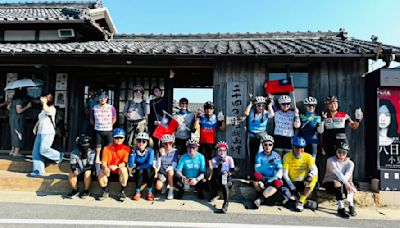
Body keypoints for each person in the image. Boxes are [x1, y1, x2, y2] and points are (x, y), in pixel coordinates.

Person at [252, 135, 291, 208]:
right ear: (262, 145)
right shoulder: (259, 156)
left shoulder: (276, 155)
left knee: (278, 182)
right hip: (262, 177)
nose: (267, 146)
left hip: (272, 178)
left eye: (270, 144)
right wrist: (268, 164)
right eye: (265, 144)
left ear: (272, 145)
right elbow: (258, 170)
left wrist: (274, 178)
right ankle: (262, 195)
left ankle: (260, 199)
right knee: (255, 175)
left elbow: (280, 169)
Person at [30, 93, 63, 176]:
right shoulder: (42, 110)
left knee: (43, 149)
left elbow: (47, 110)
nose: (42, 99)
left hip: (48, 132)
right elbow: (40, 118)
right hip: (40, 132)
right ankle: (38, 170)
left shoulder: (52, 108)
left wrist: (44, 102)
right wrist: (35, 126)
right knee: (36, 153)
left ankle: (59, 156)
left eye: (45, 98)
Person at [282, 136, 318, 212]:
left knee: (314, 178)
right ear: (293, 147)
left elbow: (314, 169)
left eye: (302, 147)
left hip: (303, 181)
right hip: (291, 182)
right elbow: (285, 174)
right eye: (297, 147)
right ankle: (305, 202)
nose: (300, 150)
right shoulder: (287, 156)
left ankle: (301, 201)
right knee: (285, 194)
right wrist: (292, 188)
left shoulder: (308, 156)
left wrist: (310, 175)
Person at [322, 142, 357, 218]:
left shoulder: (350, 163)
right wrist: (344, 183)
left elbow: (348, 174)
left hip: (344, 182)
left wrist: (346, 184)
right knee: (338, 185)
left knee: (349, 185)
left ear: (347, 153)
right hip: (330, 181)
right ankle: (341, 207)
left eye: (344, 152)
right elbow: (338, 173)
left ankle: (351, 205)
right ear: (336, 152)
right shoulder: (330, 160)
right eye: (339, 152)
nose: (341, 154)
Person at [244, 95, 274, 174]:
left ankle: (262, 173)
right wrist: (251, 103)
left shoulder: (266, 113)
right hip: (252, 136)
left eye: (263, 105)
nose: (261, 107)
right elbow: (245, 113)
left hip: (262, 137)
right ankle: (253, 174)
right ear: (255, 105)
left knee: (262, 156)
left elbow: (272, 115)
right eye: (259, 105)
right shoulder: (251, 112)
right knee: (252, 156)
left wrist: (269, 105)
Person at [98, 128, 130, 201]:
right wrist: (105, 167)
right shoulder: (107, 148)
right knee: (101, 171)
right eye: (116, 137)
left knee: (124, 170)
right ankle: (105, 191)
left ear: (124, 138)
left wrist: (117, 166)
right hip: (109, 170)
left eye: (121, 137)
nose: (119, 139)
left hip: (119, 169)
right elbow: (104, 162)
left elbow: (125, 163)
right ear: (113, 138)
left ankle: (122, 191)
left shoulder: (126, 149)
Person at [90, 90, 117, 175]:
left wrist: (109, 125)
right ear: (98, 98)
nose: (102, 99)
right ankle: (97, 170)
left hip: (108, 131)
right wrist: (97, 125)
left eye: (104, 97)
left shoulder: (111, 107)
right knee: (98, 150)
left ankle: (108, 168)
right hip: (98, 130)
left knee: (108, 150)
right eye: (100, 97)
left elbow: (114, 118)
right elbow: (91, 119)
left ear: (107, 98)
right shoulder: (94, 107)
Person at [195, 101, 225, 176]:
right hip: (202, 142)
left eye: (210, 108)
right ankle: (201, 177)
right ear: (204, 109)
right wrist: (197, 118)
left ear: (213, 109)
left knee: (210, 161)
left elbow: (222, 128)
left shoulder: (215, 117)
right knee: (201, 161)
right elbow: (195, 127)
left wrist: (222, 120)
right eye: (207, 108)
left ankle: (210, 178)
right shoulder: (202, 117)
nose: (208, 110)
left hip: (211, 142)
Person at [209, 141, 235, 213]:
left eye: (224, 150)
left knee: (224, 183)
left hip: (227, 178)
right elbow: (215, 172)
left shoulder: (229, 159)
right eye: (220, 150)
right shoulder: (214, 160)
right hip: (217, 178)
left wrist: (228, 173)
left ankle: (225, 204)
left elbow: (233, 170)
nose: (222, 152)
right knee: (216, 181)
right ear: (217, 151)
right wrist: (220, 165)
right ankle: (215, 194)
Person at [128, 132, 155, 201]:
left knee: (148, 170)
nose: (141, 143)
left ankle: (149, 192)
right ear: (136, 142)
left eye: (144, 141)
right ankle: (137, 192)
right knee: (140, 171)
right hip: (139, 173)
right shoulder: (135, 151)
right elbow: (130, 165)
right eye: (139, 141)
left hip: (148, 172)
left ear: (147, 143)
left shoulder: (150, 151)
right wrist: (132, 154)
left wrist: (138, 167)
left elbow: (149, 163)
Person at [67, 134, 95, 199]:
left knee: (87, 172)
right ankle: (75, 190)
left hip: (88, 172)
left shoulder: (92, 153)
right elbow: (73, 165)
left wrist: (83, 169)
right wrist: (74, 170)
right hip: (79, 170)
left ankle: (86, 190)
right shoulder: (74, 152)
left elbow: (90, 165)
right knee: (71, 173)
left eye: (86, 144)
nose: (84, 146)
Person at [7, 88, 32, 157]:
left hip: (12, 119)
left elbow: (8, 107)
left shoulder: (13, 100)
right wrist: (27, 106)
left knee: (13, 134)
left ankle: (12, 151)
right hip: (18, 120)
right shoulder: (19, 101)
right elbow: (19, 111)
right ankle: (16, 152)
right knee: (19, 134)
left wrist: (12, 112)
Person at [154, 134, 179, 200]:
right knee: (158, 186)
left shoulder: (175, 151)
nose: (168, 145)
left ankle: (171, 190)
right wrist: (161, 156)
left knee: (170, 170)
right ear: (163, 144)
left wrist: (170, 167)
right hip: (163, 171)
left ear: (172, 143)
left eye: (170, 143)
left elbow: (175, 163)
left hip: (171, 171)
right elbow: (157, 165)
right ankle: (165, 184)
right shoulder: (160, 151)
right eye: (165, 144)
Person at [148, 86, 168, 151]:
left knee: (163, 140)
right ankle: (155, 154)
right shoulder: (151, 102)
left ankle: (163, 155)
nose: (158, 92)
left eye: (159, 90)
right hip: (153, 123)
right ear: (153, 93)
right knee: (155, 140)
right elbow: (148, 113)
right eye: (156, 91)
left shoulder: (164, 99)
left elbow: (168, 90)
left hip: (163, 122)